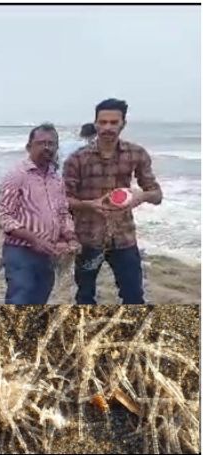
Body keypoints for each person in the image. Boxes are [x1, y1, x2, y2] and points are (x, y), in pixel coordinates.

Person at [63, 98, 162, 305]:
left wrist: (140, 196)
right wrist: (90, 205)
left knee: (134, 297)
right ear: (96, 123)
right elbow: (62, 200)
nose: (107, 127)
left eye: (113, 122)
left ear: (123, 124)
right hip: (88, 239)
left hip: (123, 238)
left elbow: (156, 194)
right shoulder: (77, 159)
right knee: (85, 296)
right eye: (103, 122)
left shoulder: (137, 153)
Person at [0, 123, 80, 305]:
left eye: (51, 143)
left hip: (49, 252)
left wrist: (71, 237)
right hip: (21, 251)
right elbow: (4, 215)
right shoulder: (17, 175)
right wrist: (34, 239)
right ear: (29, 147)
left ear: (57, 147)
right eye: (41, 143)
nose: (47, 148)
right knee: (20, 299)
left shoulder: (56, 179)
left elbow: (63, 213)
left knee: (39, 300)